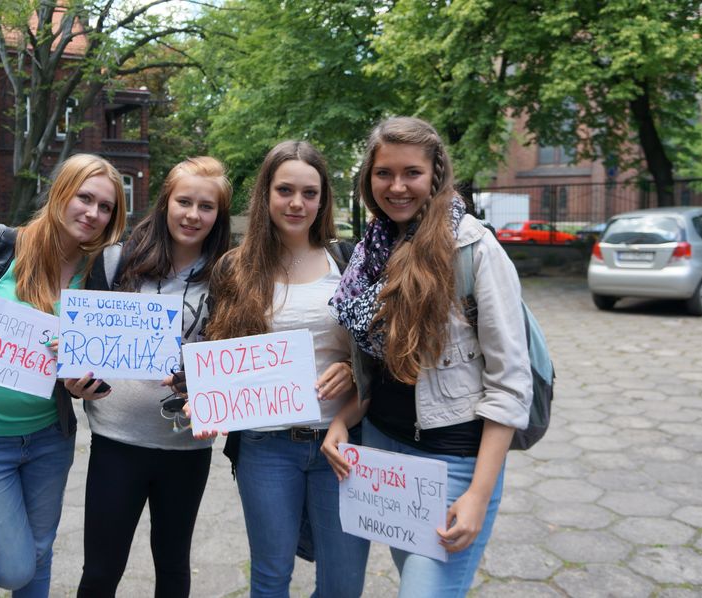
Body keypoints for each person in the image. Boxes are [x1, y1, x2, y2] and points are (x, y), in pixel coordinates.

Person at [324, 116, 532, 597]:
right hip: (386, 455)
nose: (397, 186)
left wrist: (478, 493)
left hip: (452, 461)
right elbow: (378, 369)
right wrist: (342, 420)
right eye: (384, 173)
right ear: (368, 178)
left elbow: (510, 383)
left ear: (435, 174)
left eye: (411, 173)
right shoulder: (373, 249)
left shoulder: (473, 248)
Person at [0, 153, 127, 597]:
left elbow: (89, 368)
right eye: (85, 198)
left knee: (39, 551)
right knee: (14, 568)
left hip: (49, 439)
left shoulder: (97, 275)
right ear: (60, 193)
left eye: (106, 207)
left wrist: (81, 383)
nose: (93, 213)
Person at [205, 140, 370, 598]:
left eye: (309, 193)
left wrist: (352, 369)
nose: (297, 203)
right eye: (285, 190)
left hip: (341, 442)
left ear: (323, 199)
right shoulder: (234, 268)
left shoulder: (349, 262)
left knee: (342, 586)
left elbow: (378, 354)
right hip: (266, 446)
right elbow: (219, 353)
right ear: (266, 194)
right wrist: (205, 399)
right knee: (270, 578)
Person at [70, 156, 232, 598]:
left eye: (206, 206)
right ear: (165, 203)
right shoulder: (114, 261)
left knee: (174, 567)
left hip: (187, 447)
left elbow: (235, 360)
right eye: (184, 202)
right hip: (117, 442)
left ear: (219, 215)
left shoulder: (230, 277)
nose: (192, 215)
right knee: (100, 571)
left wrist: (214, 391)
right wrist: (77, 383)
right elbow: (83, 349)